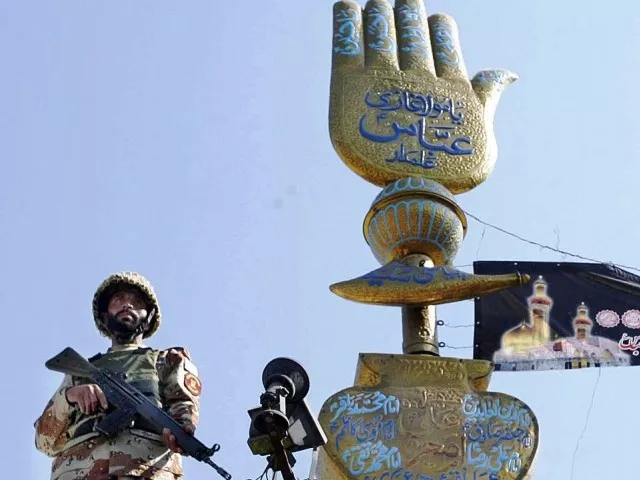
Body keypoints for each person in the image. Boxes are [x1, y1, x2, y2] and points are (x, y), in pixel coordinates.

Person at [34, 271, 203, 480]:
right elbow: (44, 442)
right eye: (119, 299)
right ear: (104, 314)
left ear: (149, 317)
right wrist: (70, 397)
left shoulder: (168, 360)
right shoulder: (79, 372)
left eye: (137, 302)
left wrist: (180, 431)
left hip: (145, 470)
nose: (128, 305)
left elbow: (183, 408)